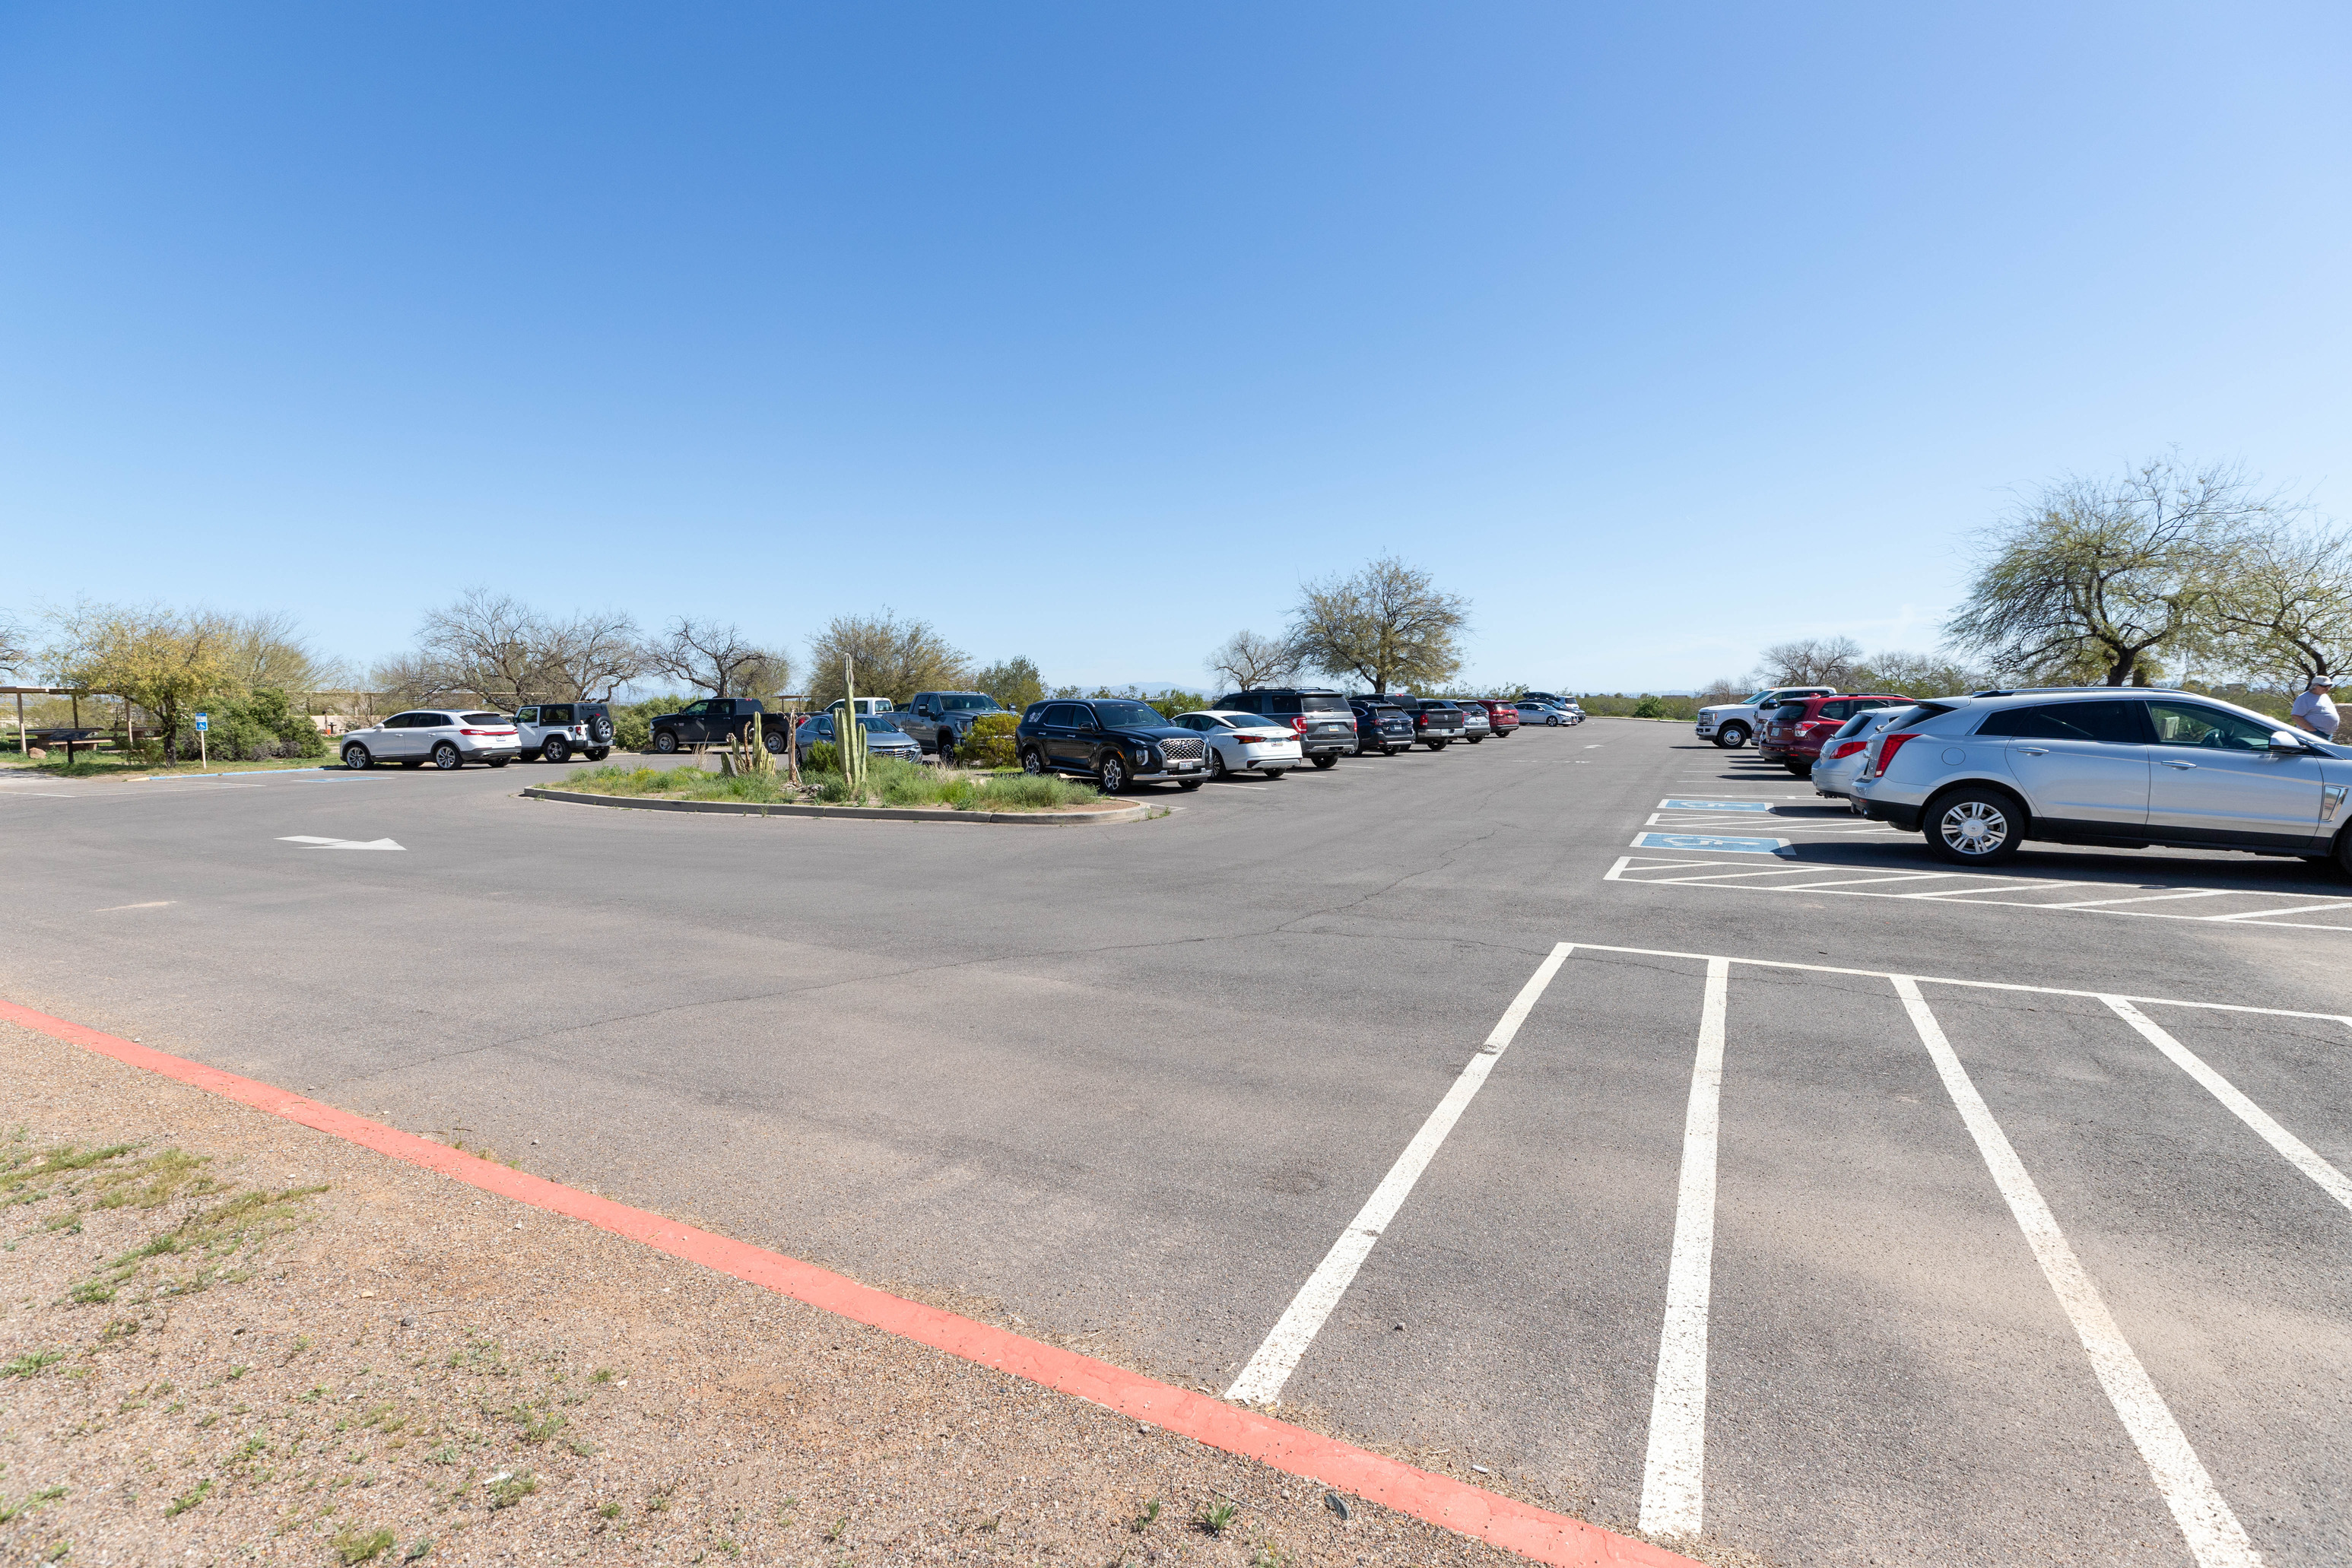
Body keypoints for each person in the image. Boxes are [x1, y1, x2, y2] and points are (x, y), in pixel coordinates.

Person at [2290, 676, 2338, 740]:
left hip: (2327, 734)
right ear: (2315, 686)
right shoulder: (2304, 698)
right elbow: (2296, 716)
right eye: (2324, 686)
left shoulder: (2325, 696)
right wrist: (2312, 730)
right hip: (2313, 734)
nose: (2327, 688)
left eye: (2329, 685)